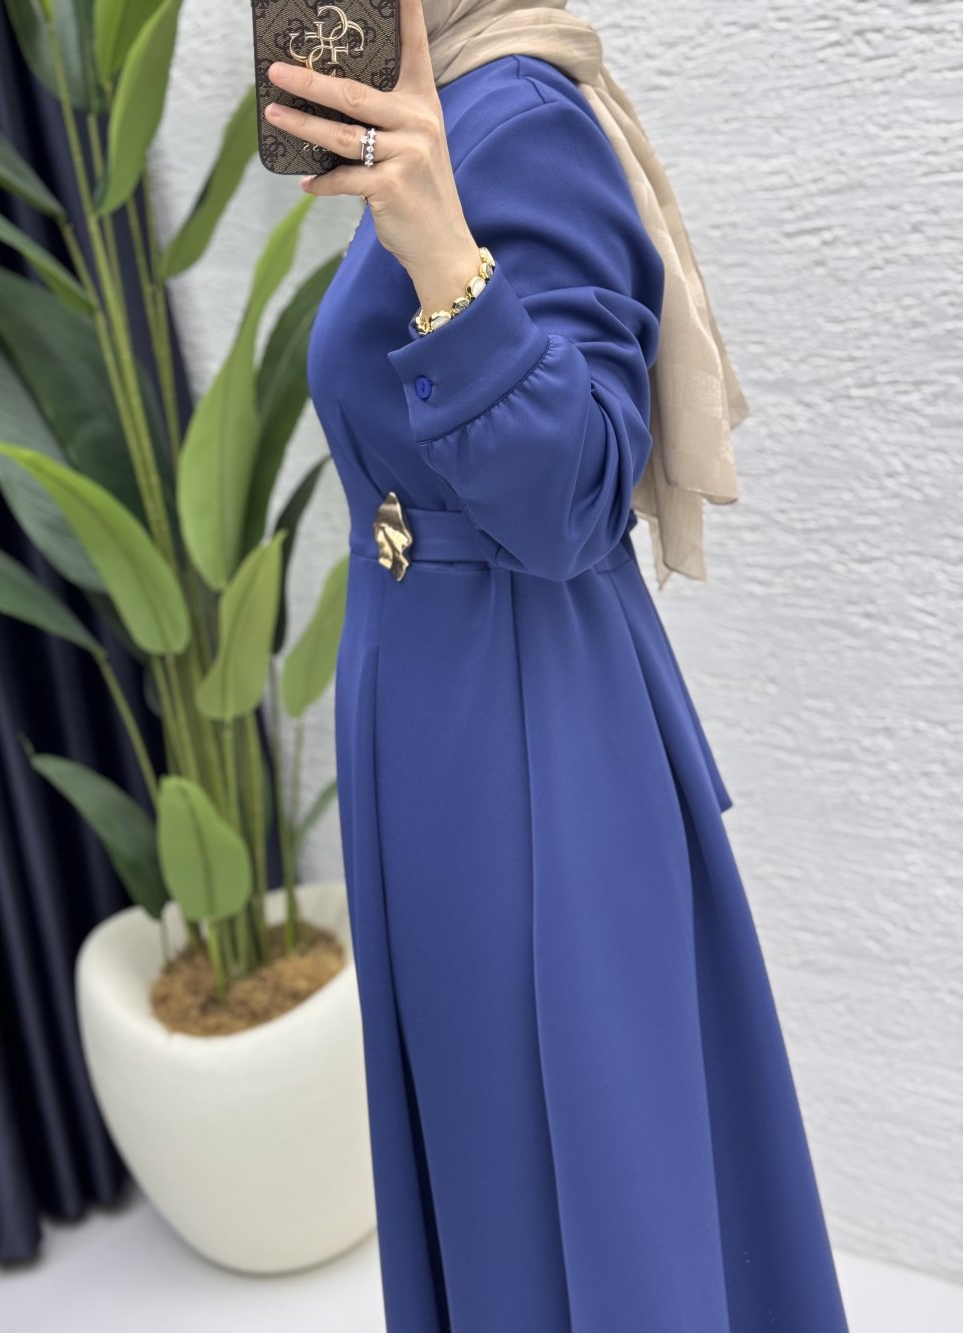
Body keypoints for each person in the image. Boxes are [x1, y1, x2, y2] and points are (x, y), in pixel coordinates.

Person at [266, 2, 851, 1329]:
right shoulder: (438, 107)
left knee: (579, 1161)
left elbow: (578, 501)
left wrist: (438, 248)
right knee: (496, 1149)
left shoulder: (517, 116)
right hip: (436, 712)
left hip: (522, 722)